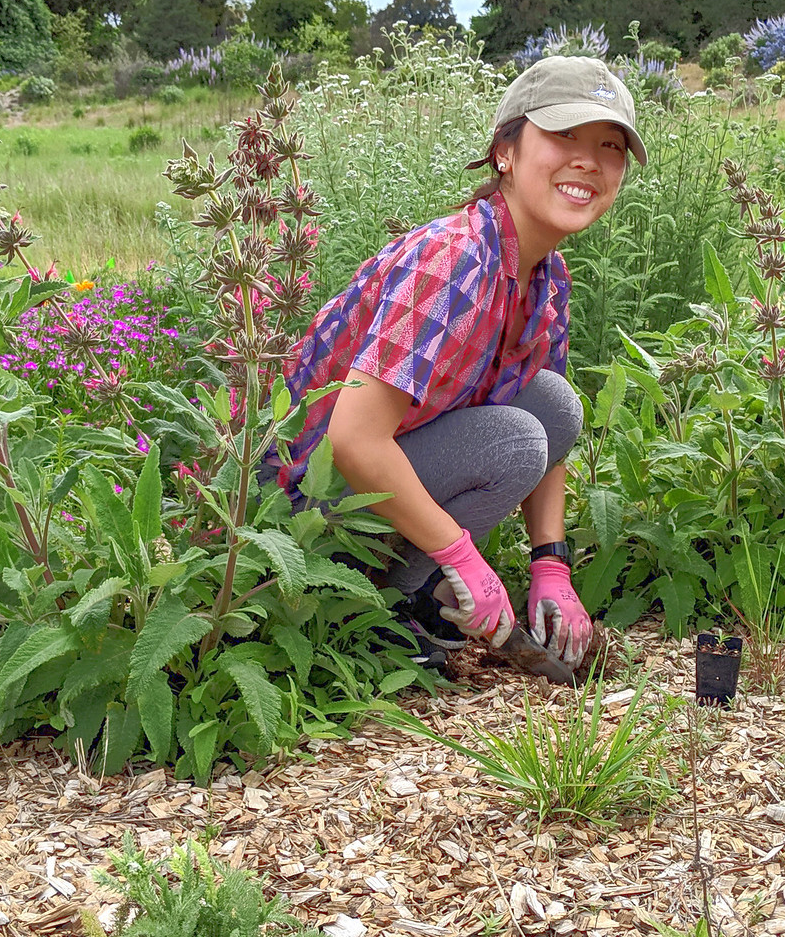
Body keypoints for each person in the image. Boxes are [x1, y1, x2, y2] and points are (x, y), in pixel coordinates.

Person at [263, 57, 645, 682]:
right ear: (506, 153)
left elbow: (549, 429)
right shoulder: (452, 261)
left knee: (554, 404)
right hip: (297, 511)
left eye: (609, 146)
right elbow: (351, 439)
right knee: (514, 440)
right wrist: (460, 555)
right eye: (564, 137)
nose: (588, 161)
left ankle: (413, 589)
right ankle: (381, 610)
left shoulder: (545, 277)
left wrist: (552, 564)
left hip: (373, 479)